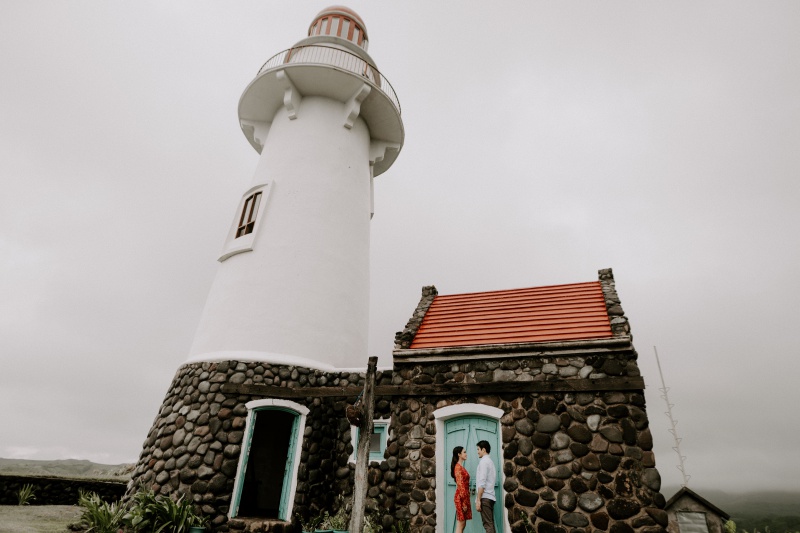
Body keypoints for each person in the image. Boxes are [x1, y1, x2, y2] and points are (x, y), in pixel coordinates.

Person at [475, 440, 496, 533]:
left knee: (488, 525)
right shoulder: (490, 462)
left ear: (484, 449)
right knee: (490, 524)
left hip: (485, 498)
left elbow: (482, 483)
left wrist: (478, 500)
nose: (477, 451)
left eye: (478, 449)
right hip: (490, 497)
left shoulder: (484, 462)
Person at [451, 446, 471, 533]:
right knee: (461, 524)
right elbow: (460, 485)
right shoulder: (458, 468)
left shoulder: (459, 467)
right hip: (461, 498)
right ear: (459, 454)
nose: (466, 454)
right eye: (464, 452)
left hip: (463, 497)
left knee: (463, 524)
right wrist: (464, 503)